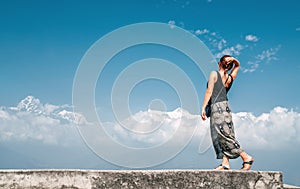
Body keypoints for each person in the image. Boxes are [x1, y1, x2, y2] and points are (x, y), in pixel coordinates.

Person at [201, 55, 254, 170]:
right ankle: (225, 163)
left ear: (219, 63)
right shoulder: (230, 77)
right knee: (226, 134)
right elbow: (238, 65)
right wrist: (234, 60)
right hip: (226, 107)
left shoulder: (214, 74)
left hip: (217, 107)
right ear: (229, 66)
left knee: (223, 135)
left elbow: (209, 91)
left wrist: (203, 107)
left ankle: (246, 157)